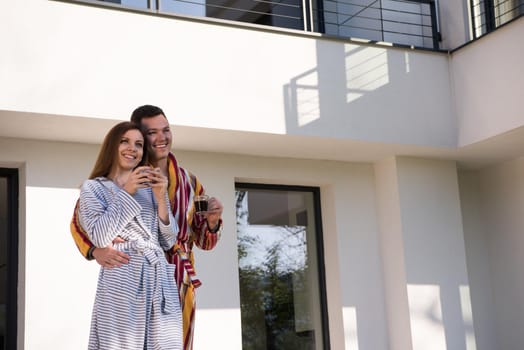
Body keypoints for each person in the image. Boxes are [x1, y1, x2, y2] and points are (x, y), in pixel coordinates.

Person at [71, 105, 223, 350]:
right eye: (152, 133)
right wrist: (95, 251)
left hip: (177, 276)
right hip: (130, 271)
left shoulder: (190, 182)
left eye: (166, 130)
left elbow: (203, 240)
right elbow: (82, 223)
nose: (162, 138)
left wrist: (213, 223)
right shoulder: (107, 184)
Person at [77, 121, 182, 349]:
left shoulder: (151, 189)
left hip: (159, 276)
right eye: (124, 141)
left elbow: (168, 240)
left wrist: (161, 197)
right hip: (123, 274)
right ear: (112, 146)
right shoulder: (93, 188)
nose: (132, 148)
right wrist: (127, 191)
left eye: (139, 144)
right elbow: (100, 235)